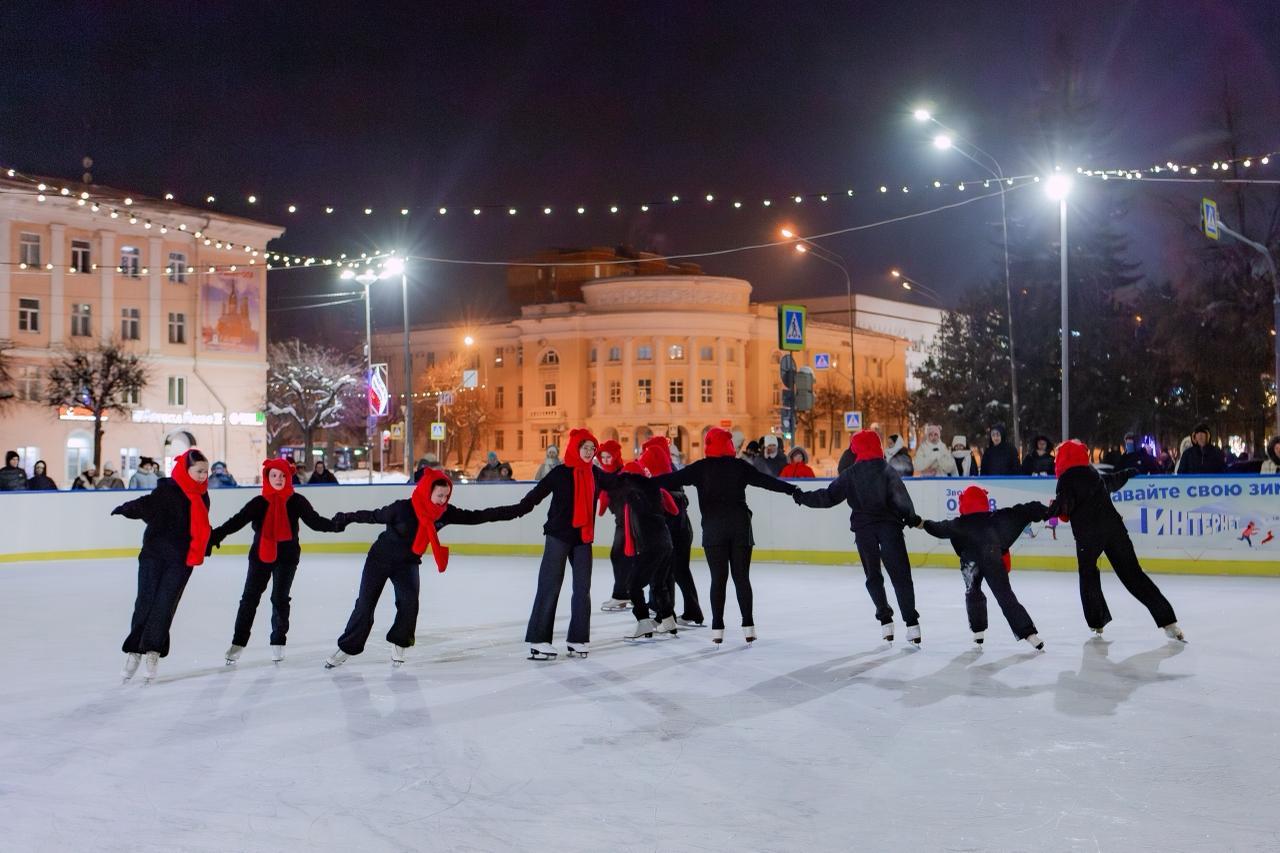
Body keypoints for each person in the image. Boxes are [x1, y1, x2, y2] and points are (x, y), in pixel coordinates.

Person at [324, 470, 528, 668]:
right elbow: (372, 516)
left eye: (446, 496)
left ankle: (399, 643)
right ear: (427, 491)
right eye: (439, 495)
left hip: (408, 563)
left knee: (409, 604)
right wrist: (346, 517)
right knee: (365, 605)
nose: (442, 500)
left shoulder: (444, 513)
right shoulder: (402, 508)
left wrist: (515, 511)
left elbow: (478, 516)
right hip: (380, 559)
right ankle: (347, 648)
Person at [650, 427, 799, 644]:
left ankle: (717, 628)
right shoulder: (739, 466)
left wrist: (638, 481)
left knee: (718, 580)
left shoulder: (701, 468)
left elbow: (670, 479)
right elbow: (766, 481)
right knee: (741, 579)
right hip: (740, 527)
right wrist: (791, 489)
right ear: (729, 444)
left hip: (714, 530)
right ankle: (748, 626)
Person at [793, 430, 923, 644]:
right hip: (890, 530)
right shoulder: (887, 470)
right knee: (901, 577)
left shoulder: (851, 474)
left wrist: (802, 497)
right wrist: (911, 518)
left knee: (873, 576)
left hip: (864, 532)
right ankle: (912, 625)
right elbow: (902, 500)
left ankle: (885, 622)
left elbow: (827, 497)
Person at [211, 459, 343, 665]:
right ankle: (238, 643)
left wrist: (337, 524)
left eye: (282, 475)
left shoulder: (297, 501)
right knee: (249, 599)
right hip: (260, 556)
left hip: (287, 557)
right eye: (274, 475)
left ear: (288, 477)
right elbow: (236, 522)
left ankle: (278, 641)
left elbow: (315, 522)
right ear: (267, 477)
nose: (279, 479)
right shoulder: (259, 502)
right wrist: (215, 536)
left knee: (279, 599)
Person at [1052, 440, 1184, 641]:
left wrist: (1051, 509)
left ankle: (1097, 623)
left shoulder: (1066, 480)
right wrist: (1129, 473)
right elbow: (1112, 481)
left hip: (1088, 536)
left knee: (1088, 577)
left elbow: (1064, 510)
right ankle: (1169, 621)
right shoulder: (1093, 473)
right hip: (1114, 530)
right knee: (1133, 575)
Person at [111, 450, 212, 683]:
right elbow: (147, 505)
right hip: (154, 555)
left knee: (165, 605)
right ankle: (135, 651)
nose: (203, 476)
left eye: (205, 472)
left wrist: (208, 542)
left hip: (181, 560)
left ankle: (153, 653)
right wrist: (126, 508)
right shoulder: (167, 490)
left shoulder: (203, 496)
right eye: (199, 471)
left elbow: (200, 526)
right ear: (185, 470)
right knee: (145, 602)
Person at [517, 429, 615, 659]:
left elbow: (619, 481)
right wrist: (518, 510)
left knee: (582, 589)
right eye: (585, 448)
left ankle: (578, 638)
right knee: (549, 585)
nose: (590, 453)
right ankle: (539, 640)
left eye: (593, 449)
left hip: (583, 538)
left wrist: (645, 477)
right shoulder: (560, 473)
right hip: (558, 536)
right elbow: (536, 494)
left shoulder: (595, 474)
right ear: (575, 448)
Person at [920, 485, 1050, 649]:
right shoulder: (994, 518)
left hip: (970, 563)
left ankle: (978, 632)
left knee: (973, 593)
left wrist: (923, 523)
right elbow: (1021, 512)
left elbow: (939, 528)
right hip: (992, 557)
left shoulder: (959, 523)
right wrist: (1046, 510)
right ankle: (1030, 635)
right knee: (1005, 595)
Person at [641, 436, 703, 627]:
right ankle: (691, 611)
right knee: (679, 571)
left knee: (668, 571)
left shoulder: (664, 472)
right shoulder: (669, 469)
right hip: (682, 528)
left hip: (675, 529)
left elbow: (673, 501)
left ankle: (665, 613)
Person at [595, 439, 633, 612]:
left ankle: (622, 595)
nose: (606, 460)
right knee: (620, 556)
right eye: (603, 457)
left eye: (608, 456)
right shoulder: (605, 476)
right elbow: (602, 495)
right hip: (621, 522)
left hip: (629, 522)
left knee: (619, 555)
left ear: (615, 456)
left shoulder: (623, 474)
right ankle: (627, 593)